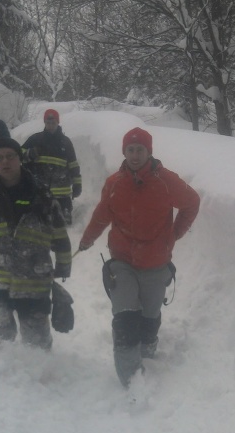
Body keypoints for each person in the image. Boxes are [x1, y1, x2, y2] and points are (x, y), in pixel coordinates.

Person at [78, 127, 200, 388]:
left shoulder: (166, 181)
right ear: (124, 152)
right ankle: (131, 379)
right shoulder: (114, 183)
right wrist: (88, 237)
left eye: (140, 150)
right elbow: (102, 214)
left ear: (149, 151)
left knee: (149, 317)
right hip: (122, 260)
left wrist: (174, 234)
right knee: (125, 318)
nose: (135, 155)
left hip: (155, 263)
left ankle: (148, 345)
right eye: (130, 150)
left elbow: (192, 203)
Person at [0, 137, 72, 350]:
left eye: (10, 156)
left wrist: (64, 264)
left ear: (20, 159)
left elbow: (59, 233)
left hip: (33, 280)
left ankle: (40, 377)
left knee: (37, 342)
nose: (5, 162)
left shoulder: (42, 195)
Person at [21, 109, 82, 225]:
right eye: (48, 123)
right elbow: (18, 155)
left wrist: (77, 183)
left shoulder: (66, 142)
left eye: (53, 122)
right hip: (40, 192)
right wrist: (31, 153)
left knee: (64, 226)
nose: (50, 125)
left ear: (57, 123)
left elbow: (73, 164)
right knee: (40, 222)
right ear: (44, 123)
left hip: (62, 194)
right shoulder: (35, 139)